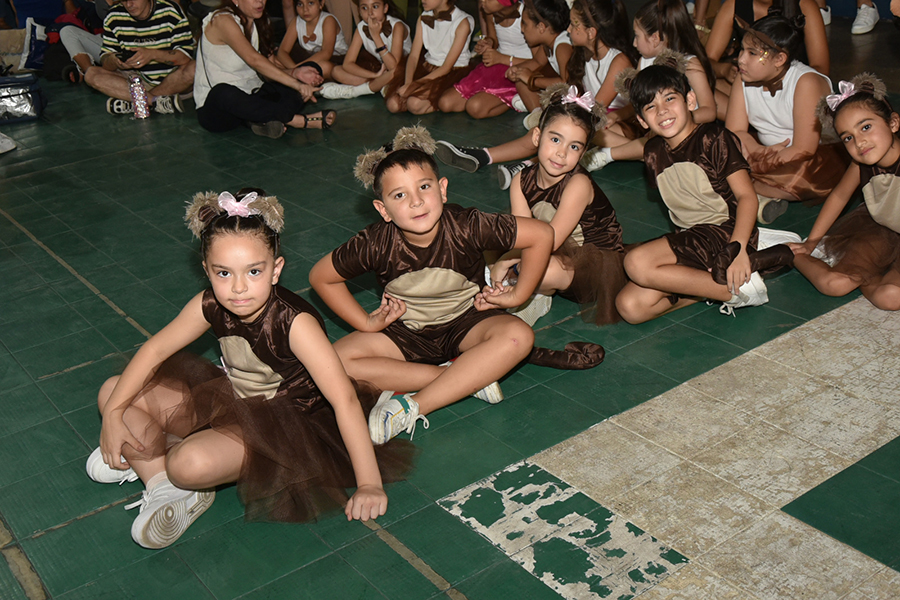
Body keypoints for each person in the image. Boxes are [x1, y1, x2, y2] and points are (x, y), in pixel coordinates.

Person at [86, 188, 413, 549]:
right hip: (231, 397)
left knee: (187, 465)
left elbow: (344, 401)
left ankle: (165, 465)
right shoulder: (208, 303)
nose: (238, 288)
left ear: (276, 270)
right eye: (223, 273)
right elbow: (154, 349)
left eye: (254, 271)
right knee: (112, 392)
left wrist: (369, 483)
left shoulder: (294, 323)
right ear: (206, 271)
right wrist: (114, 414)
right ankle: (163, 486)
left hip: (287, 423)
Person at [308, 126, 554, 444]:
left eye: (424, 187)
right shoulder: (375, 242)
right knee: (332, 362)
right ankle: (465, 378)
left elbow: (541, 235)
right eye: (399, 195)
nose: (416, 202)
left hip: (468, 323)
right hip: (404, 331)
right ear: (382, 209)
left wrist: (517, 295)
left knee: (519, 336)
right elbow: (321, 277)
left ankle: (413, 404)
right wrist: (364, 321)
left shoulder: (467, 225)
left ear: (442, 189)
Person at [614, 65, 795, 323]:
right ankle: (709, 290)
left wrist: (739, 250)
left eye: (669, 98)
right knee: (630, 307)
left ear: (690, 100)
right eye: (650, 107)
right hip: (691, 240)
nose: (662, 110)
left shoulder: (714, 137)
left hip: (724, 233)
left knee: (636, 263)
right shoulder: (653, 151)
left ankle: (733, 290)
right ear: (643, 121)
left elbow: (747, 197)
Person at [434, 0, 632, 189]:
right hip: (598, 121)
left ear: (591, 32)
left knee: (561, 131)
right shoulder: (584, 54)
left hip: (617, 125)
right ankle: (488, 157)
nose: (569, 29)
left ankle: (522, 163)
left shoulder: (618, 60)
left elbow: (596, 108)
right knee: (554, 130)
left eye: (573, 24)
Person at [491, 84, 627, 326]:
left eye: (574, 147)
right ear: (537, 136)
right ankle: (528, 283)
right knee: (491, 241)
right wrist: (509, 255)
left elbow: (549, 242)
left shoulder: (578, 184)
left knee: (541, 268)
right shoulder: (520, 180)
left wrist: (508, 260)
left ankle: (535, 292)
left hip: (594, 266)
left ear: (584, 151)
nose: (561, 153)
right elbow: (523, 234)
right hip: (550, 250)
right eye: (555, 139)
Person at [789, 74, 900, 310]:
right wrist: (811, 243)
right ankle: (791, 254)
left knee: (890, 298)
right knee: (834, 284)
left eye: (866, 127)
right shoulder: (861, 164)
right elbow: (839, 196)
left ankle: (873, 273)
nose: (860, 142)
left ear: (893, 123)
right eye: (848, 138)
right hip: (880, 226)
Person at [725, 16, 847, 224]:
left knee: (797, 178)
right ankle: (756, 194)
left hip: (814, 156)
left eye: (752, 53)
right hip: (763, 151)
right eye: (741, 50)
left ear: (780, 59)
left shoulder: (806, 81)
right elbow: (734, 131)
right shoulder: (743, 77)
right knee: (719, 148)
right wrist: (756, 152)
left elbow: (804, 149)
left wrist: (761, 161)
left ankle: (737, 192)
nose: (741, 59)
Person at [581, 0, 717, 171]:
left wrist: (675, 121)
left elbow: (710, 111)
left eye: (637, 36)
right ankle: (641, 153)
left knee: (657, 141)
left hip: (687, 134)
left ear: (655, 38)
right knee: (595, 130)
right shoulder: (644, 62)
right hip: (656, 130)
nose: (634, 44)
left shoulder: (689, 64)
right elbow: (638, 103)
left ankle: (609, 155)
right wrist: (617, 116)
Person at [194, 0, 336, 138]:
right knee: (223, 92)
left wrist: (296, 73)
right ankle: (297, 120)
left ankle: (260, 120)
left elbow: (269, 70)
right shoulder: (222, 20)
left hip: (253, 97)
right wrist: (297, 84)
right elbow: (254, 60)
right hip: (219, 111)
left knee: (310, 69)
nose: (260, 2)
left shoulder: (259, 21)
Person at [705, 0, 828, 120]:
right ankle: (747, 119)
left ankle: (751, 119)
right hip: (748, 85)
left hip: (791, 90)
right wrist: (724, 70)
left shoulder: (804, 5)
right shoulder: (733, 5)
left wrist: (781, 80)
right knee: (698, 83)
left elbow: (821, 69)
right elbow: (706, 60)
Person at [84, 0, 195, 115]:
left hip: (172, 80)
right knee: (91, 74)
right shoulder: (114, 16)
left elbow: (185, 57)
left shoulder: (170, 11)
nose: (129, 4)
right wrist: (114, 60)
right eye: (124, 0)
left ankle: (135, 103)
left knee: (194, 68)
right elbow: (106, 61)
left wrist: (152, 55)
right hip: (137, 80)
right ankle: (154, 102)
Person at [437, 0, 534, 118]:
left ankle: (518, 98)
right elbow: (494, 39)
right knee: (445, 103)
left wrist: (501, 58)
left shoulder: (527, 15)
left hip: (520, 69)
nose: (482, 2)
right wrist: (488, 43)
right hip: (496, 65)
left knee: (474, 108)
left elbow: (539, 61)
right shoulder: (490, 13)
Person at [384, 0, 475, 114]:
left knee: (413, 104)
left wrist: (415, 85)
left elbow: (446, 67)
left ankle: (440, 99)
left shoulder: (462, 22)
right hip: (428, 68)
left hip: (451, 72)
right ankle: (428, 99)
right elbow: (413, 56)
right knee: (393, 104)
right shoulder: (424, 18)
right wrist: (408, 83)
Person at [320, 0, 411, 99]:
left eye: (375, 7)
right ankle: (379, 84)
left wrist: (376, 37)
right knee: (336, 71)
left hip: (401, 67)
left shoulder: (397, 26)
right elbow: (348, 63)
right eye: (364, 8)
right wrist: (375, 75)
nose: (370, 13)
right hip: (379, 67)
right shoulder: (361, 28)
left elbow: (393, 66)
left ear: (385, 8)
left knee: (394, 73)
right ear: (359, 11)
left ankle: (355, 91)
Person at [276, 0, 349, 80]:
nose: (305, 9)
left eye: (310, 3)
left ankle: (294, 76)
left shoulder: (328, 20)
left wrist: (299, 68)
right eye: (300, 4)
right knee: (275, 61)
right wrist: (294, 69)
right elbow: (282, 51)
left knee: (324, 66)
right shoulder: (296, 22)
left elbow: (326, 53)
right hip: (309, 58)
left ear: (321, 4)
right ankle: (299, 76)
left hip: (335, 59)